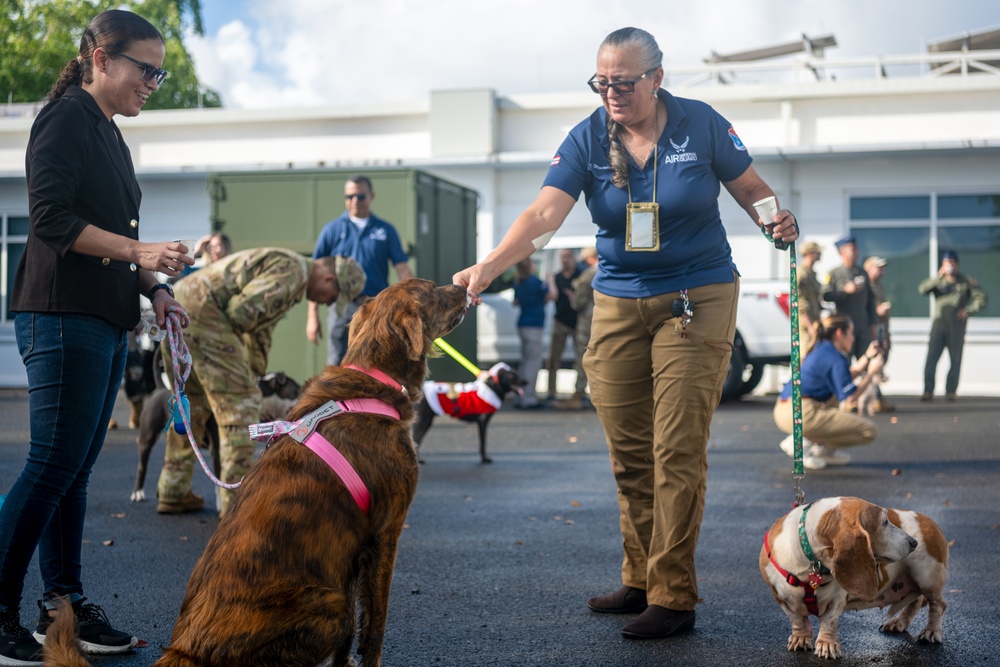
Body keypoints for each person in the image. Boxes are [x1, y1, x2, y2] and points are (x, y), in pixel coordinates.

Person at [452, 27, 798, 640]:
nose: (611, 94)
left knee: (677, 447)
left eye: (624, 83)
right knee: (629, 452)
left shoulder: (702, 124)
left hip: (699, 294)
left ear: (657, 79)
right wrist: (490, 264)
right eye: (601, 82)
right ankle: (639, 577)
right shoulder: (587, 138)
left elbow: (751, 189)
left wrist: (775, 221)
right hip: (617, 301)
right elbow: (543, 216)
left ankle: (673, 594)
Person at [0, 10, 191, 664]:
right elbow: (53, 220)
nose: (153, 82)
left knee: (73, 472)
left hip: (105, 319)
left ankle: (63, 605)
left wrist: (158, 290)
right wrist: (142, 249)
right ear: (101, 58)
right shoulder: (63, 120)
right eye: (147, 69)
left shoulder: (111, 135)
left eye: (159, 73)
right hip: (59, 314)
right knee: (52, 464)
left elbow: (116, 246)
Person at [156, 248, 365, 517]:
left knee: (190, 407)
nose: (327, 303)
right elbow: (242, 314)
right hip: (205, 316)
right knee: (241, 408)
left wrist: (252, 368)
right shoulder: (294, 273)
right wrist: (243, 380)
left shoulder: (289, 269)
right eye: (332, 297)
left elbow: (259, 327)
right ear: (328, 280)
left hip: (180, 308)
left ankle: (174, 489)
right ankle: (237, 507)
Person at [306, 175, 413, 365]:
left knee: (377, 358)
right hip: (340, 305)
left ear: (371, 196)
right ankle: (337, 395)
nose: (355, 201)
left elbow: (402, 268)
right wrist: (312, 317)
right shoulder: (332, 229)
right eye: (350, 197)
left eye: (360, 196)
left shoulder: (385, 230)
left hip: (375, 305)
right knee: (338, 359)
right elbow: (315, 275)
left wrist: (414, 300)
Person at [774, 315, 884, 470]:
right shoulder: (835, 358)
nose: (853, 338)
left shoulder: (822, 348)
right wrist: (871, 374)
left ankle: (817, 447)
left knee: (833, 396)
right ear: (839, 333)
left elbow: (843, 379)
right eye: (850, 333)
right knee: (869, 431)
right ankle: (805, 443)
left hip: (785, 409)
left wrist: (866, 357)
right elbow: (850, 397)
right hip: (802, 413)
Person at [919, 251, 988, 401]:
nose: (950, 266)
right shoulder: (939, 281)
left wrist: (969, 310)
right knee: (931, 359)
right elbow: (922, 289)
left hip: (956, 327)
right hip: (939, 325)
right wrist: (939, 277)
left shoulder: (964, 282)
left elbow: (982, 298)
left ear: (957, 264)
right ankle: (928, 391)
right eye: (946, 263)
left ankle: (951, 391)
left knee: (955, 360)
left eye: (952, 263)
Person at [554, 246, 599, 410]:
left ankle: (578, 395)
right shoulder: (606, 271)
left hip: (586, 322)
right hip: (601, 320)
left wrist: (573, 296)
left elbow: (578, 302)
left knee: (584, 358)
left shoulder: (588, 274)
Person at [823, 236, 878, 362]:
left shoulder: (862, 273)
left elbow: (870, 300)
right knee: (843, 363)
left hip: (862, 327)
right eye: (852, 249)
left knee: (866, 362)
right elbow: (825, 296)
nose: (857, 251)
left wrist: (873, 324)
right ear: (842, 252)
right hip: (844, 328)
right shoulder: (834, 274)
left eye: (856, 249)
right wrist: (845, 292)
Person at [512, 257, 552, 409]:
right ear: (529, 266)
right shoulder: (535, 282)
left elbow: (516, 302)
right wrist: (551, 281)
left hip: (523, 324)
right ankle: (528, 398)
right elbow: (551, 295)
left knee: (525, 361)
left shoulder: (518, 282)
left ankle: (519, 395)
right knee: (532, 362)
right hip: (534, 325)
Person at [545, 249, 583, 402]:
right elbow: (551, 297)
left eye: (567, 257)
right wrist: (551, 283)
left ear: (573, 258)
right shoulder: (557, 277)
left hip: (577, 322)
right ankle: (551, 391)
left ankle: (579, 391)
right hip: (560, 321)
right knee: (553, 358)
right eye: (562, 257)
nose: (565, 260)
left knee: (581, 359)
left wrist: (574, 297)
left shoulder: (580, 276)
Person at [864, 255, 894, 412]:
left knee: (880, 363)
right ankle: (874, 400)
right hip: (872, 329)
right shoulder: (865, 286)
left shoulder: (879, 286)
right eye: (879, 267)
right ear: (869, 268)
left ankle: (877, 398)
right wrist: (877, 311)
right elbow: (865, 310)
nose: (882, 271)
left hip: (882, 328)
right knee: (873, 364)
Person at [796, 240, 824, 351]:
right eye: (817, 252)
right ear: (810, 253)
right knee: (806, 352)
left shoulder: (811, 273)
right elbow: (800, 300)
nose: (820, 255)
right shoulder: (802, 274)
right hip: (806, 323)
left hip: (814, 319)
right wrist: (810, 326)